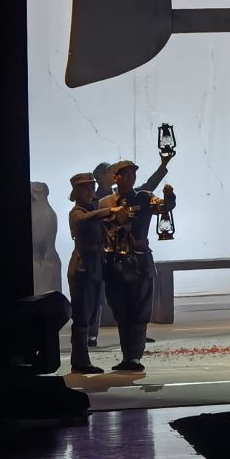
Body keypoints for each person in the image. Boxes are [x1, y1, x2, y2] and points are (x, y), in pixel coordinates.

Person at [99, 160, 175, 373]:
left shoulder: (144, 197)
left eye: (133, 174)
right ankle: (127, 356)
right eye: (126, 174)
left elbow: (163, 207)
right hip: (114, 263)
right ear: (116, 177)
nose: (131, 178)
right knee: (121, 312)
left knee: (139, 311)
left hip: (139, 262)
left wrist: (169, 197)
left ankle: (134, 357)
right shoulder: (105, 203)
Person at [66, 171, 113, 374]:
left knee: (92, 314)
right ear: (76, 191)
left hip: (94, 268)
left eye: (91, 187)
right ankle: (80, 361)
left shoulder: (92, 209)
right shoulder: (77, 212)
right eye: (85, 187)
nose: (90, 191)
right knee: (82, 316)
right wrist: (108, 211)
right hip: (82, 268)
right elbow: (82, 220)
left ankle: (82, 359)